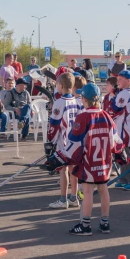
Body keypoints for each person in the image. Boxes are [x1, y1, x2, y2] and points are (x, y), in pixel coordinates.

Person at [45, 83, 127, 235]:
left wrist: (58, 158)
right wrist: (119, 153)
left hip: (89, 162)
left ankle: (85, 225)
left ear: (84, 99)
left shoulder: (82, 117)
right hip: (104, 162)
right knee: (103, 190)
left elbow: (74, 145)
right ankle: (104, 222)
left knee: (88, 191)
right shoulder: (107, 116)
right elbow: (115, 141)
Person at [46, 72, 82, 209]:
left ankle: (63, 199)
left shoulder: (59, 102)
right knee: (73, 170)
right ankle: (73, 197)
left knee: (63, 170)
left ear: (60, 86)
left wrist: (50, 141)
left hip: (64, 141)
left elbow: (54, 125)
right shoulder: (77, 101)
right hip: (75, 142)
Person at [111, 69, 130, 191]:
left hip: (124, 130)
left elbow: (115, 109)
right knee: (120, 154)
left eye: (121, 79)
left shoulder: (124, 93)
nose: (118, 80)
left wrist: (113, 97)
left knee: (124, 155)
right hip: (128, 129)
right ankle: (123, 179)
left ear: (129, 81)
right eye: (118, 78)